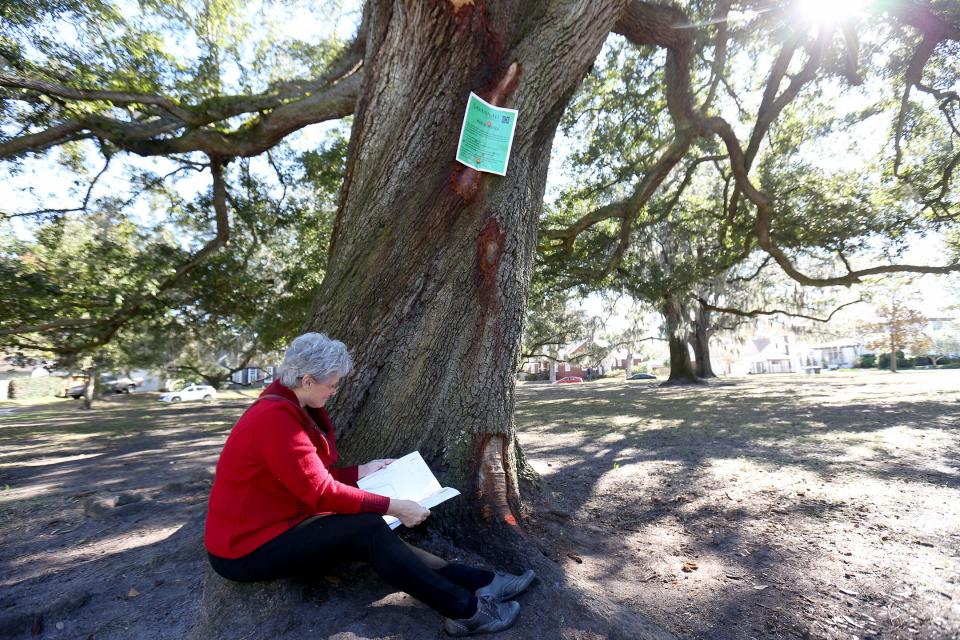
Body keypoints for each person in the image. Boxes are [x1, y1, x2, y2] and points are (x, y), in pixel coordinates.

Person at [205, 332, 534, 636]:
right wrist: (395, 507)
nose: (334, 391)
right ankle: (467, 611)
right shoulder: (275, 420)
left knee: (367, 529)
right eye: (331, 385)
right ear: (307, 380)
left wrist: (362, 470)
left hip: (280, 523)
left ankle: (478, 583)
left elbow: (308, 478)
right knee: (365, 528)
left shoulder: (289, 406)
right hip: (245, 549)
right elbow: (319, 493)